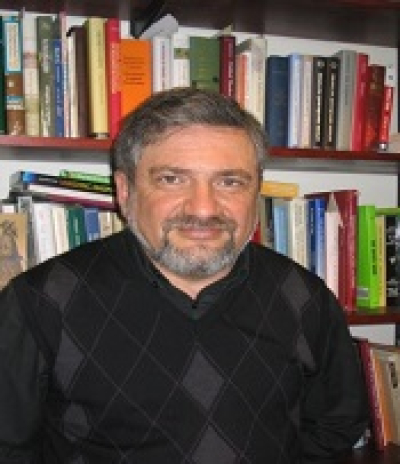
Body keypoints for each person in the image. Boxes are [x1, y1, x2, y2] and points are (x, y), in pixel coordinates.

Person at [0, 88, 368, 463]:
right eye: (172, 179)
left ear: (256, 191)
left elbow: (335, 429)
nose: (203, 209)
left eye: (230, 181)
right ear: (125, 191)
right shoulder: (39, 302)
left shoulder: (305, 297)